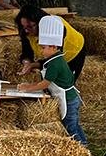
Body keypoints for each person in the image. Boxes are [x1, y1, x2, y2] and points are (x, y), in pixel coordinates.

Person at [19, 15, 86, 144]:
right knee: (74, 125)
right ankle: (84, 145)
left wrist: (27, 88)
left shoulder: (55, 64)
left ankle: (81, 148)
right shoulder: (55, 59)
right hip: (70, 98)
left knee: (70, 127)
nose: (41, 51)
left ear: (54, 47)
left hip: (68, 99)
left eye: (43, 47)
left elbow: (45, 84)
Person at [16, 5, 86, 80]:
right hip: (53, 58)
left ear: (40, 23)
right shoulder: (25, 31)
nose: (26, 30)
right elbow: (26, 52)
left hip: (74, 52)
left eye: (30, 27)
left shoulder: (55, 29)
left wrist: (33, 65)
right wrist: (27, 63)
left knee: (63, 82)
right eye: (24, 27)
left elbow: (55, 59)